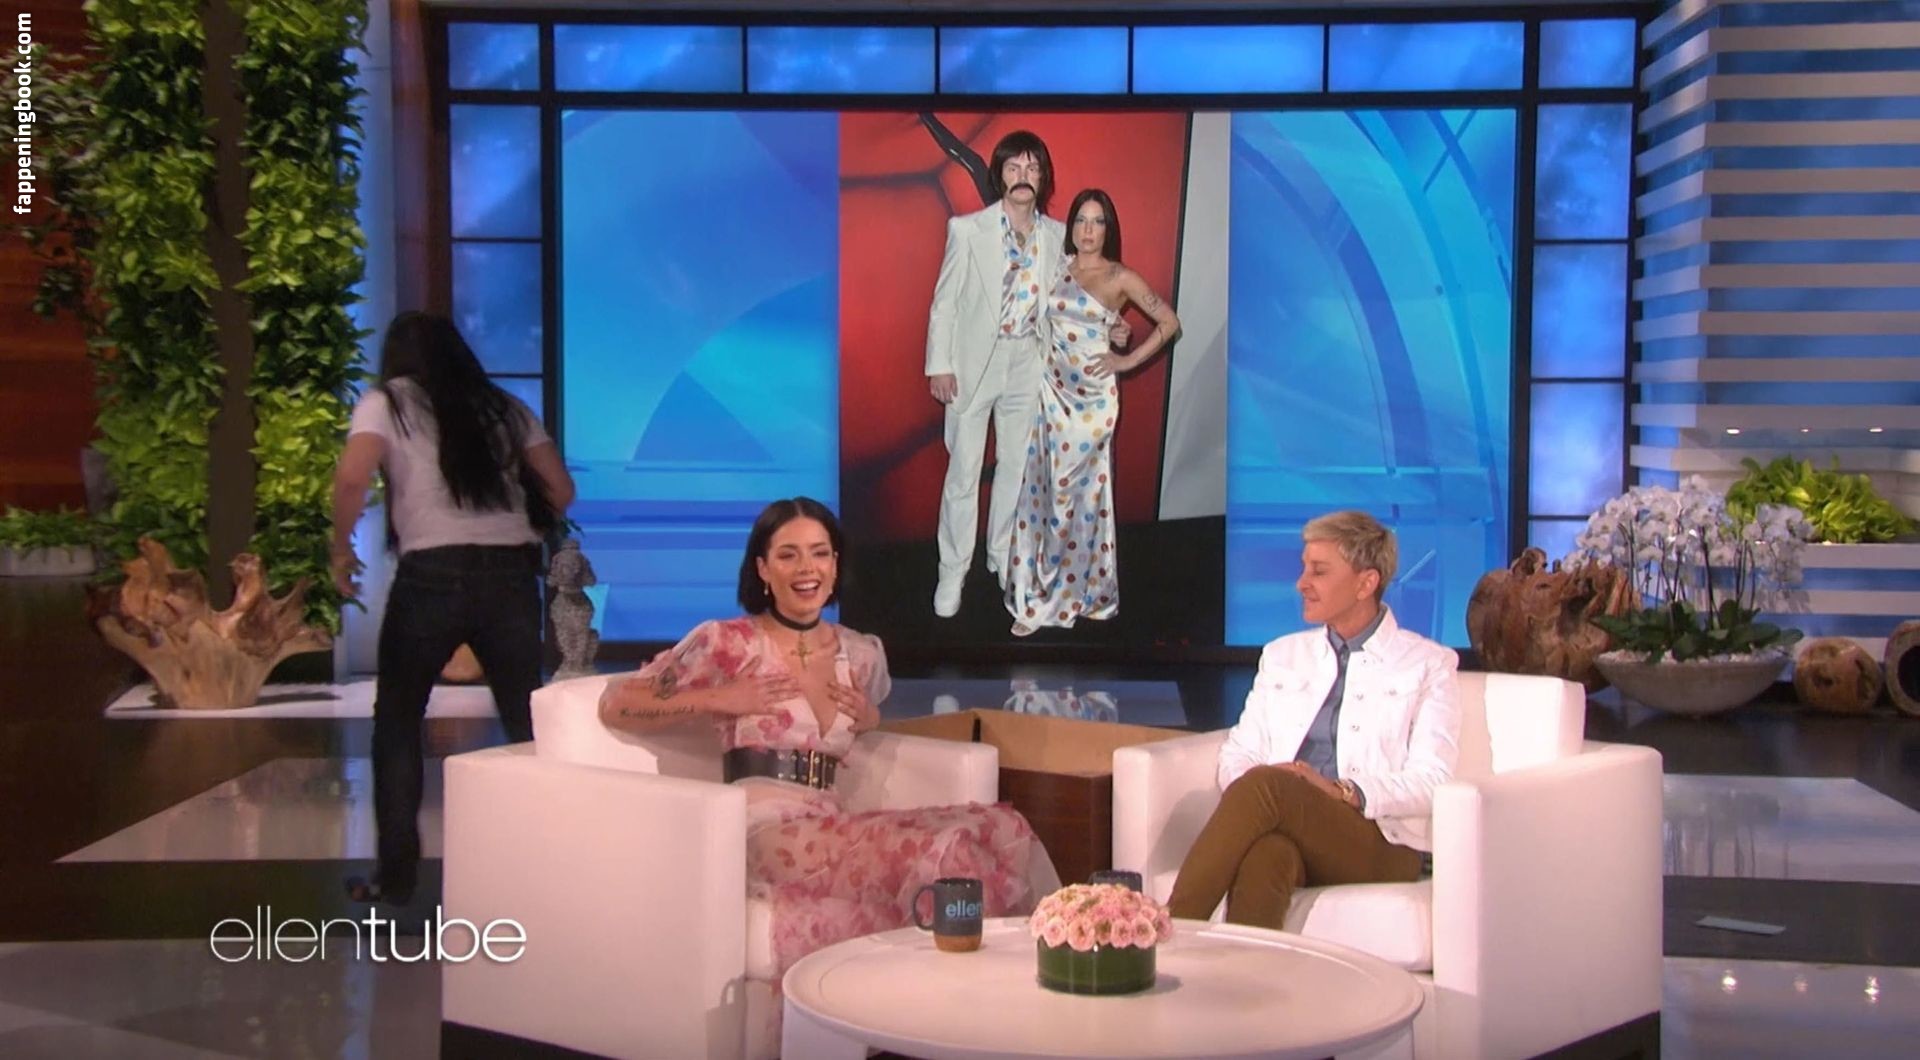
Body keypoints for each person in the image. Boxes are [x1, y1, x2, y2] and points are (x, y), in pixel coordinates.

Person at [599, 498, 1038, 977]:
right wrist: (719, 698)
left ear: (835, 565)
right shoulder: (728, 642)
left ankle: (976, 995)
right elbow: (617, 704)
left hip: (831, 820)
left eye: (819, 553)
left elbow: (863, 718)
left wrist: (869, 717)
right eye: (788, 555)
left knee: (1001, 830)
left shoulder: (861, 654)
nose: (806, 568)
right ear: (763, 569)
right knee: (947, 850)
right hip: (764, 829)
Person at [329, 312, 576, 904]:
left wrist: (340, 549)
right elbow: (562, 490)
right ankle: (555, 865)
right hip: (510, 574)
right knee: (527, 720)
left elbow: (351, 477)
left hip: (431, 575)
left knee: (398, 722)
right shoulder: (504, 408)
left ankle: (396, 877)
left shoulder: (386, 403)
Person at [1166, 511, 1461, 927]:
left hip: (1383, 839)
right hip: (1290, 820)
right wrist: (1271, 791)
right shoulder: (1282, 655)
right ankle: (1247, 970)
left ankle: (1168, 933)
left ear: (1365, 583)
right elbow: (1240, 752)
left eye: (1319, 571)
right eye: (1304, 568)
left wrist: (1342, 792)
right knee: (1268, 853)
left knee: (1271, 785)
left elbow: (1433, 780)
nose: (1301, 583)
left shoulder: (1428, 663)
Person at [922, 130, 1129, 618]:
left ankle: (1001, 556)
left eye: (1032, 168)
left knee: (1015, 469)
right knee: (963, 473)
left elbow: (1077, 296)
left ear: (1043, 178)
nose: (1023, 177)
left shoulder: (1058, 236)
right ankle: (952, 571)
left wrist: (1112, 325)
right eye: (1014, 167)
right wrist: (939, 364)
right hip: (973, 363)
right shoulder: (966, 230)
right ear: (999, 174)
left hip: (1029, 364)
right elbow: (944, 303)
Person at [1004, 189, 1179, 636]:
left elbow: (1170, 323)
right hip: (1051, 395)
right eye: (1081, 220)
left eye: (1097, 222)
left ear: (1108, 229)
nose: (1088, 230)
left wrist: (1126, 358)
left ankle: (1056, 600)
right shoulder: (1057, 266)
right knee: (1045, 493)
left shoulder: (1120, 276)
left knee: (1072, 497)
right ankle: (1062, 588)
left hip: (1093, 406)